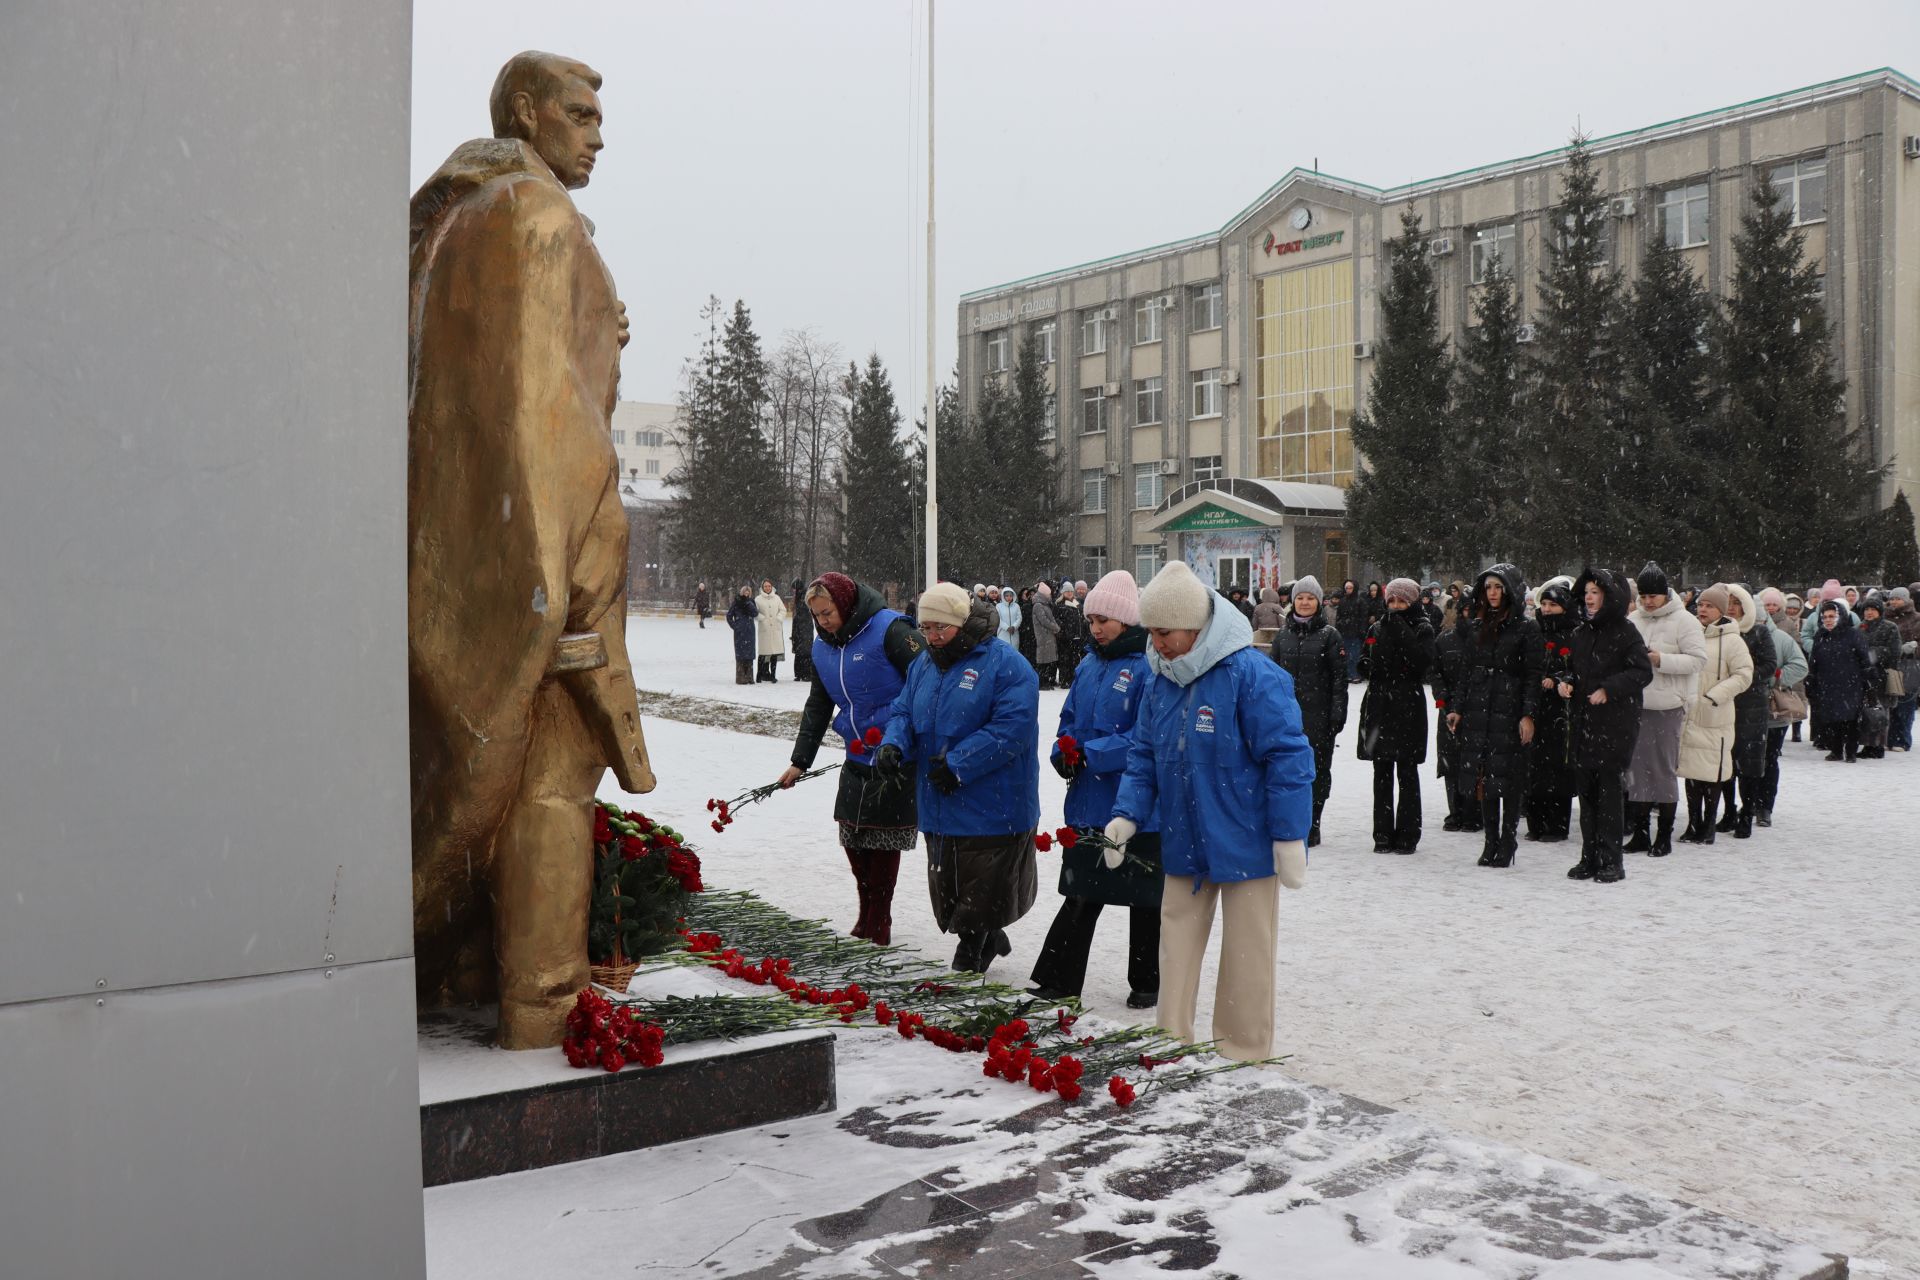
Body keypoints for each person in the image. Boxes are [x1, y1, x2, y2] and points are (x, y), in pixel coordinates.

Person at [1107, 561, 1314, 1061]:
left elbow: (1288, 756)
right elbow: (1142, 755)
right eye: (1150, 632)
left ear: (1195, 626)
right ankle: (1169, 1037)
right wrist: (1128, 814)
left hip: (1246, 836)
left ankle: (1242, 1048)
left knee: (1248, 952)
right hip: (1184, 835)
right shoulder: (1159, 681)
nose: (1155, 643)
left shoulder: (1252, 674)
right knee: (1174, 942)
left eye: (1164, 632)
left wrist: (1288, 836)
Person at [876, 584, 1040, 973]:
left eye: (940, 628)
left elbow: (1011, 728)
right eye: (925, 628)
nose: (931, 637)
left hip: (991, 798)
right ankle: (987, 934)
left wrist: (959, 763)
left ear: (961, 623)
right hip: (939, 795)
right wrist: (893, 744)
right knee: (951, 883)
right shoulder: (923, 664)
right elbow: (902, 712)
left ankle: (971, 953)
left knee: (981, 879)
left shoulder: (1006, 665)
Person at [1029, 571, 1161, 1008]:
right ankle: (1058, 980)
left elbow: (1148, 737)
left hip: (1134, 803)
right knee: (1081, 891)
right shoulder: (1087, 665)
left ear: (1126, 619)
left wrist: (1094, 753)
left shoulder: (1147, 667)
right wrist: (1063, 751)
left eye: (1104, 619)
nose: (1096, 628)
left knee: (1146, 901)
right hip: (1087, 799)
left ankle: (1148, 981)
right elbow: (1068, 721)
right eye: (1091, 620)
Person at [781, 573, 925, 944]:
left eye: (827, 613)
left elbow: (926, 680)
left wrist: (907, 736)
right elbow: (818, 704)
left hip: (895, 755)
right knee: (854, 840)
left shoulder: (890, 630)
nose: (823, 621)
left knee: (882, 844)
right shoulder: (823, 646)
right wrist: (801, 759)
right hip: (856, 754)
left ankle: (880, 920)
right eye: (816, 616)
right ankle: (866, 913)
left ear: (845, 605)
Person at [1557, 568, 1652, 883]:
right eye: (1586, 592)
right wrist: (1567, 682)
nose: (1588, 597)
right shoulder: (1581, 632)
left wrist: (1610, 689)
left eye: (1596, 592)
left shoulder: (1626, 632)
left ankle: (1612, 860)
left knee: (1609, 796)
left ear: (1611, 597)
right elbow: (1572, 669)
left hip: (1614, 725)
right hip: (1583, 725)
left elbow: (1642, 672)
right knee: (1587, 797)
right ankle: (1589, 857)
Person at [1450, 564, 1543, 866]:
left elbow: (1532, 675)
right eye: (1489, 587)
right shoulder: (1477, 627)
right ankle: (1490, 841)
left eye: (1499, 587)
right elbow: (1465, 672)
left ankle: (1508, 839)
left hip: (1509, 708)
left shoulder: (1527, 628)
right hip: (1480, 708)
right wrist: (1457, 708)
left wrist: (1528, 713)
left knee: (1510, 779)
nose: (1492, 593)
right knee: (1484, 779)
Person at [1626, 563, 1704, 857]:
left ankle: (1664, 835)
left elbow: (1698, 660)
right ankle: (1642, 832)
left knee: (1662, 771)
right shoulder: (1634, 619)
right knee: (1636, 772)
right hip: (1637, 705)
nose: (1648, 601)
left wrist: (1661, 660)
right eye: (1644, 595)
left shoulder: (1685, 621)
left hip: (1668, 706)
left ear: (1665, 594)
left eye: (1653, 596)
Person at [1267, 575, 1346, 847]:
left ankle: (1313, 823)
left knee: (1317, 771)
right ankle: (1290, 821)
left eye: (1310, 598)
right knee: (1286, 770)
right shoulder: (1283, 634)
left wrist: (1337, 713)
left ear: (1318, 602)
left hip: (1319, 715)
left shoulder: (1330, 636)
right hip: (1286, 716)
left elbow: (1339, 678)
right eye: (1300, 597)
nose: (1304, 602)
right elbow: (1271, 675)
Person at [1357, 578, 1435, 853]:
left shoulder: (1423, 627)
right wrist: (1365, 663)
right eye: (1392, 601)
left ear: (1412, 602)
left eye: (1402, 601)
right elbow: (1368, 660)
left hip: (1408, 706)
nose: (1396, 606)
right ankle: (1382, 834)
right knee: (1381, 773)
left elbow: (1421, 663)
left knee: (1407, 772)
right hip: (1380, 705)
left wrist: (1399, 629)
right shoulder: (1376, 627)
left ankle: (1408, 833)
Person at [1676, 585, 1754, 844]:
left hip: (1714, 716)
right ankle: (1692, 823)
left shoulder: (1733, 640)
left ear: (1720, 610)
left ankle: (1708, 825)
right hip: (1689, 713)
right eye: (1700, 605)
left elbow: (1744, 675)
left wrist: (1714, 696)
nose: (1702, 609)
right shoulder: (1691, 634)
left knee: (1711, 774)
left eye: (1709, 606)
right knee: (1690, 771)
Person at [1713, 586, 1774, 838]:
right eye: (1727, 602)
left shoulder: (1758, 632)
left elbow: (1770, 664)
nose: (1731, 607)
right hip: (1723, 703)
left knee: (1748, 762)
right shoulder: (1717, 632)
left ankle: (1747, 813)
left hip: (1751, 707)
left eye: (1736, 602)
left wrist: (1743, 677)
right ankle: (1729, 811)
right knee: (1723, 760)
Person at [1524, 581, 1578, 843]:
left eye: (1552, 605)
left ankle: (1557, 824)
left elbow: (1578, 668)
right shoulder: (1534, 631)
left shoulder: (1574, 633)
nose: (1546, 609)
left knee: (1557, 767)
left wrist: (1559, 679)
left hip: (1561, 711)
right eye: (1543, 604)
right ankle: (1536, 822)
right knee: (1533, 766)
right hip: (1535, 707)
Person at [1754, 587, 1809, 826]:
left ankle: (1765, 806)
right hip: (1745, 708)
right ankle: (1747, 804)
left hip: (1773, 707)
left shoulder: (1781, 638)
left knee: (1769, 758)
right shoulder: (1737, 635)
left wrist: (1776, 676)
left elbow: (1800, 666)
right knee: (1747, 760)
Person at [1430, 608, 1480, 832]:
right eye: (1464, 610)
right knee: (1450, 762)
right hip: (1448, 709)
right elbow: (1435, 672)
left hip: (1477, 707)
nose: (1468, 615)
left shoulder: (1485, 638)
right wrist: (1443, 701)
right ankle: (1455, 811)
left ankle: (1473, 813)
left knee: (1474, 762)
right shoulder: (1445, 639)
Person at [1807, 597, 1871, 762]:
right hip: (1827, 684)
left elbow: (1864, 659)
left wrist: (1867, 680)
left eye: (1832, 616)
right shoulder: (1820, 636)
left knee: (1850, 720)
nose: (1828, 620)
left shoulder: (1853, 634)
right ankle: (1835, 750)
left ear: (1841, 616)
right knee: (1831, 719)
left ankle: (1850, 751)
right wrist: (1811, 680)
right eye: (1825, 617)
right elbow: (1814, 660)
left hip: (1851, 683)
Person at [1857, 594, 1902, 759]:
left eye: (1872, 609)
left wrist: (1872, 654)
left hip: (1882, 675)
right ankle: (1868, 745)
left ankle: (1878, 746)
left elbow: (1895, 651)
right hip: (1864, 676)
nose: (1869, 613)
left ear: (1879, 611)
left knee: (1880, 712)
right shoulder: (1859, 627)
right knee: (1866, 712)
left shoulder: (1890, 627)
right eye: (1866, 609)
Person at [1887, 587, 1920, 752]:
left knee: (1905, 704)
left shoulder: (1917, 619)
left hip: (1908, 665)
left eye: (1898, 599)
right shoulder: (1885, 617)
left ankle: (1902, 739)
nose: (1894, 602)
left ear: (1906, 600)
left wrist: (1914, 649)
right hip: (1889, 664)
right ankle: (1888, 737)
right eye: (1892, 599)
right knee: (1889, 704)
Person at [754, 578, 789, 682]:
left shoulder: (777, 598)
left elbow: (783, 610)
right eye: (765, 586)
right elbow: (755, 612)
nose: (767, 588)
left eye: (769, 586)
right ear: (762, 587)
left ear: (771, 587)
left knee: (774, 654)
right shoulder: (758, 599)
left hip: (775, 629)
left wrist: (778, 618)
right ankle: (759, 675)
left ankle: (773, 675)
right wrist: (763, 619)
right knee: (763, 654)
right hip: (764, 629)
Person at [1335, 579, 1368, 682]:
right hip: (1344, 632)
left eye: (1350, 588)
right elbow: (1339, 616)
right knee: (1347, 655)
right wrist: (1338, 629)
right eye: (1346, 588)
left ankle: (1356, 674)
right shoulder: (1343, 601)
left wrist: (1361, 630)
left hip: (1356, 633)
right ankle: (1349, 674)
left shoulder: (1360, 601)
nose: (1348, 590)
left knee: (1356, 655)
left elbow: (1363, 617)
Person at [725, 584, 757, 685]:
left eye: (748, 592)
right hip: (740, 632)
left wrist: (749, 604)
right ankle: (740, 677)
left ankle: (749, 677)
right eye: (745, 592)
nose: (746, 593)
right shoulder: (736, 602)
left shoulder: (751, 602)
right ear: (741, 592)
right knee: (741, 654)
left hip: (750, 631)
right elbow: (729, 616)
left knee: (750, 655)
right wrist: (735, 626)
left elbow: (755, 613)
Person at [1031, 581, 1060, 688]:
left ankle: (1047, 680)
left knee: (1048, 659)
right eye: (1048, 594)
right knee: (1043, 660)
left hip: (1048, 635)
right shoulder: (1038, 605)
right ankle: (1043, 682)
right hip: (1043, 636)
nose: (1050, 595)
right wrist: (1056, 627)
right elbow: (1044, 620)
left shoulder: (1044, 604)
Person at [1055, 583, 1087, 678]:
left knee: (1075, 659)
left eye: (1071, 591)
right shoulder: (1059, 604)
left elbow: (1082, 618)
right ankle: (1064, 679)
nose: (1069, 593)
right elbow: (1056, 619)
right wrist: (1063, 629)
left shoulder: (1078, 604)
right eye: (1067, 591)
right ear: (1063, 592)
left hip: (1077, 636)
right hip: (1065, 637)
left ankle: (1073, 678)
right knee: (1065, 659)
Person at [788, 580, 816, 682]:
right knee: (800, 651)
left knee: (805, 651)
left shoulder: (804, 597)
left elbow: (805, 612)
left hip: (804, 627)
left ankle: (806, 673)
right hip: (800, 627)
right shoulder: (799, 596)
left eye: (794, 589)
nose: (793, 591)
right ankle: (800, 673)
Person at [1016, 586, 1038, 668]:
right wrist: (1026, 631)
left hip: (1038, 636)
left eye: (1034, 594)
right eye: (1030, 594)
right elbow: (1022, 622)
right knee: (1028, 658)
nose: (1032, 596)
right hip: (1028, 636)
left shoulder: (1040, 605)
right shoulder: (1025, 607)